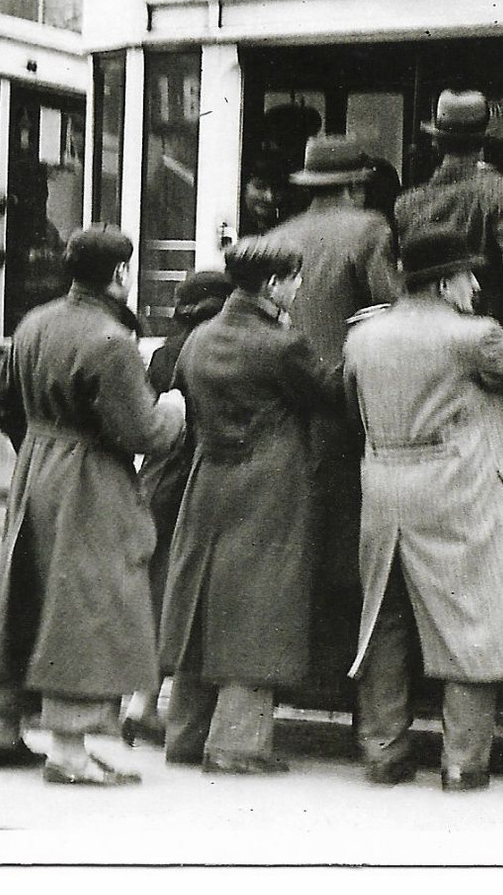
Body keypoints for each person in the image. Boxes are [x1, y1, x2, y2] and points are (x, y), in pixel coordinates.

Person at [342, 227, 503, 791]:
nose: (476, 286)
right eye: (469, 276)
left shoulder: (363, 337)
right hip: (457, 492)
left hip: (383, 488)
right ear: (445, 281)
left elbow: (351, 409)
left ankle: (383, 753)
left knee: (385, 620)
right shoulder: (471, 337)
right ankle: (462, 762)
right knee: (469, 621)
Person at [0, 225, 185, 786]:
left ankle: (5, 730)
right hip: (89, 480)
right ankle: (69, 752)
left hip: (35, 470)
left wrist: (38, 448)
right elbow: (142, 430)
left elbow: (1, 403)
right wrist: (174, 408)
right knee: (85, 603)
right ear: (120, 274)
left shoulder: (33, 323)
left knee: (25, 592)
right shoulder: (110, 341)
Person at [157, 239, 343, 774]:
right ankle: (238, 746)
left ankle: (186, 737)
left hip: (208, 480)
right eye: (294, 279)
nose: (300, 287)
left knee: (202, 608)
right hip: (269, 486)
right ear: (271, 286)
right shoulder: (280, 345)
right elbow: (330, 393)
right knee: (259, 611)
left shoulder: (197, 341)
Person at [260, 135, 402, 682]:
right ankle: (344, 667)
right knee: (348, 542)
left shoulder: (277, 236)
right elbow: (390, 310)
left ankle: (299, 666)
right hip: (344, 405)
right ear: (355, 184)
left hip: (285, 405)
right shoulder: (370, 230)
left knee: (297, 536)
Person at [120, 269, 235, 747]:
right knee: (173, 597)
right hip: (187, 480)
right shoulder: (210, 347)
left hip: (155, 479)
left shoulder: (165, 351)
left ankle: (134, 704)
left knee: (150, 594)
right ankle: (143, 706)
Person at [394, 89, 503, 341]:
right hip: (489, 337)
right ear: (483, 140)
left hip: (426, 337)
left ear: (436, 142)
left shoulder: (406, 204)